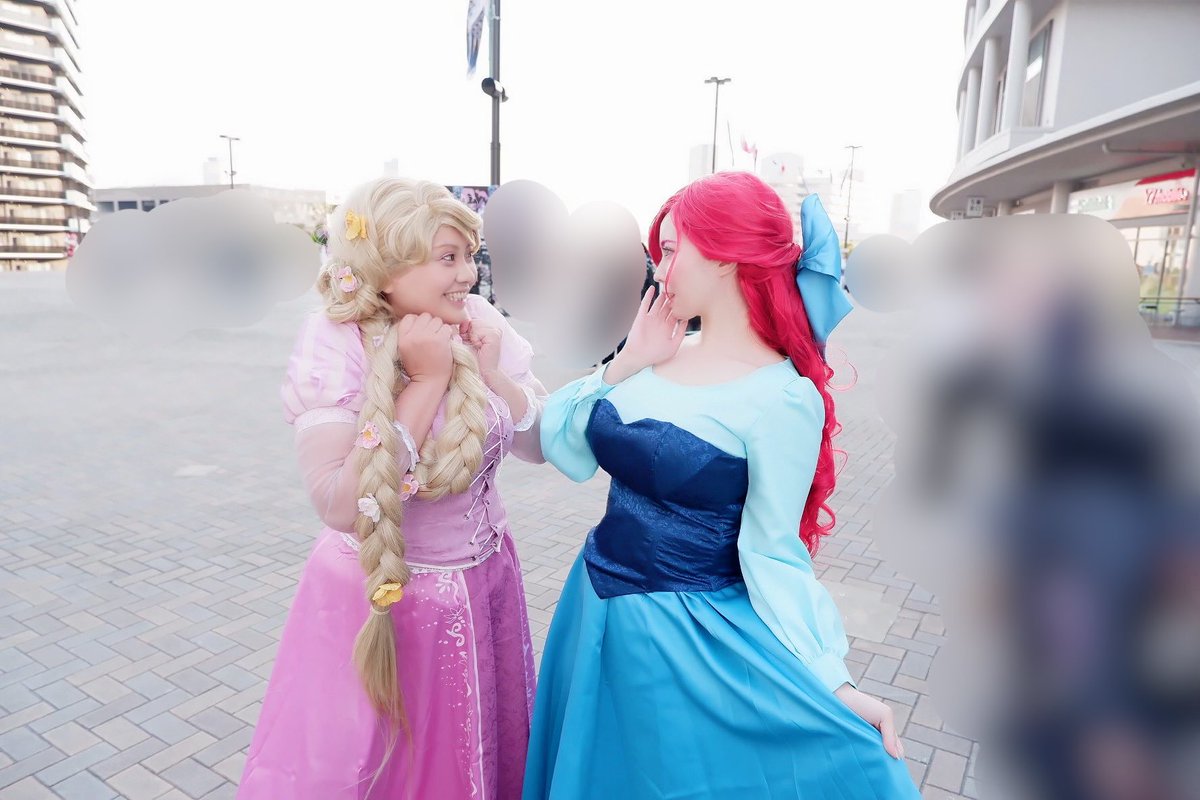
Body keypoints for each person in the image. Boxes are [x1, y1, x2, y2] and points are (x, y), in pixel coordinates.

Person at [523, 172, 920, 798]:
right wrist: (626, 361)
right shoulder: (656, 353)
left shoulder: (783, 397)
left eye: (672, 250)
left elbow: (772, 552)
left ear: (727, 256)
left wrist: (833, 680)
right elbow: (562, 447)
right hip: (590, 605)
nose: (660, 271)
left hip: (681, 640)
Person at [239, 178, 547, 800]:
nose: (468, 276)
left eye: (470, 256)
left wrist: (492, 374)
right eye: (447, 258)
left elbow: (538, 446)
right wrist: (426, 382)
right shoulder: (337, 340)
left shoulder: (479, 321)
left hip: (488, 585)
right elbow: (339, 503)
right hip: (386, 600)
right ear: (385, 267)